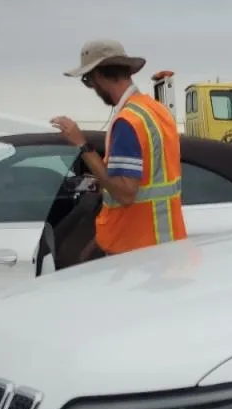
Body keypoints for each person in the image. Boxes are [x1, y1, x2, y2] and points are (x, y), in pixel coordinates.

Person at [50, 39, 187, 260]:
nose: (92, 88)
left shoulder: (127, 121)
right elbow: (152, 178)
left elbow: (125, 194)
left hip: (136, 251)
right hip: (165, 246)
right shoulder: (156, 111)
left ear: (98, 76)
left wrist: (82, 145)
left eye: (87, 81)